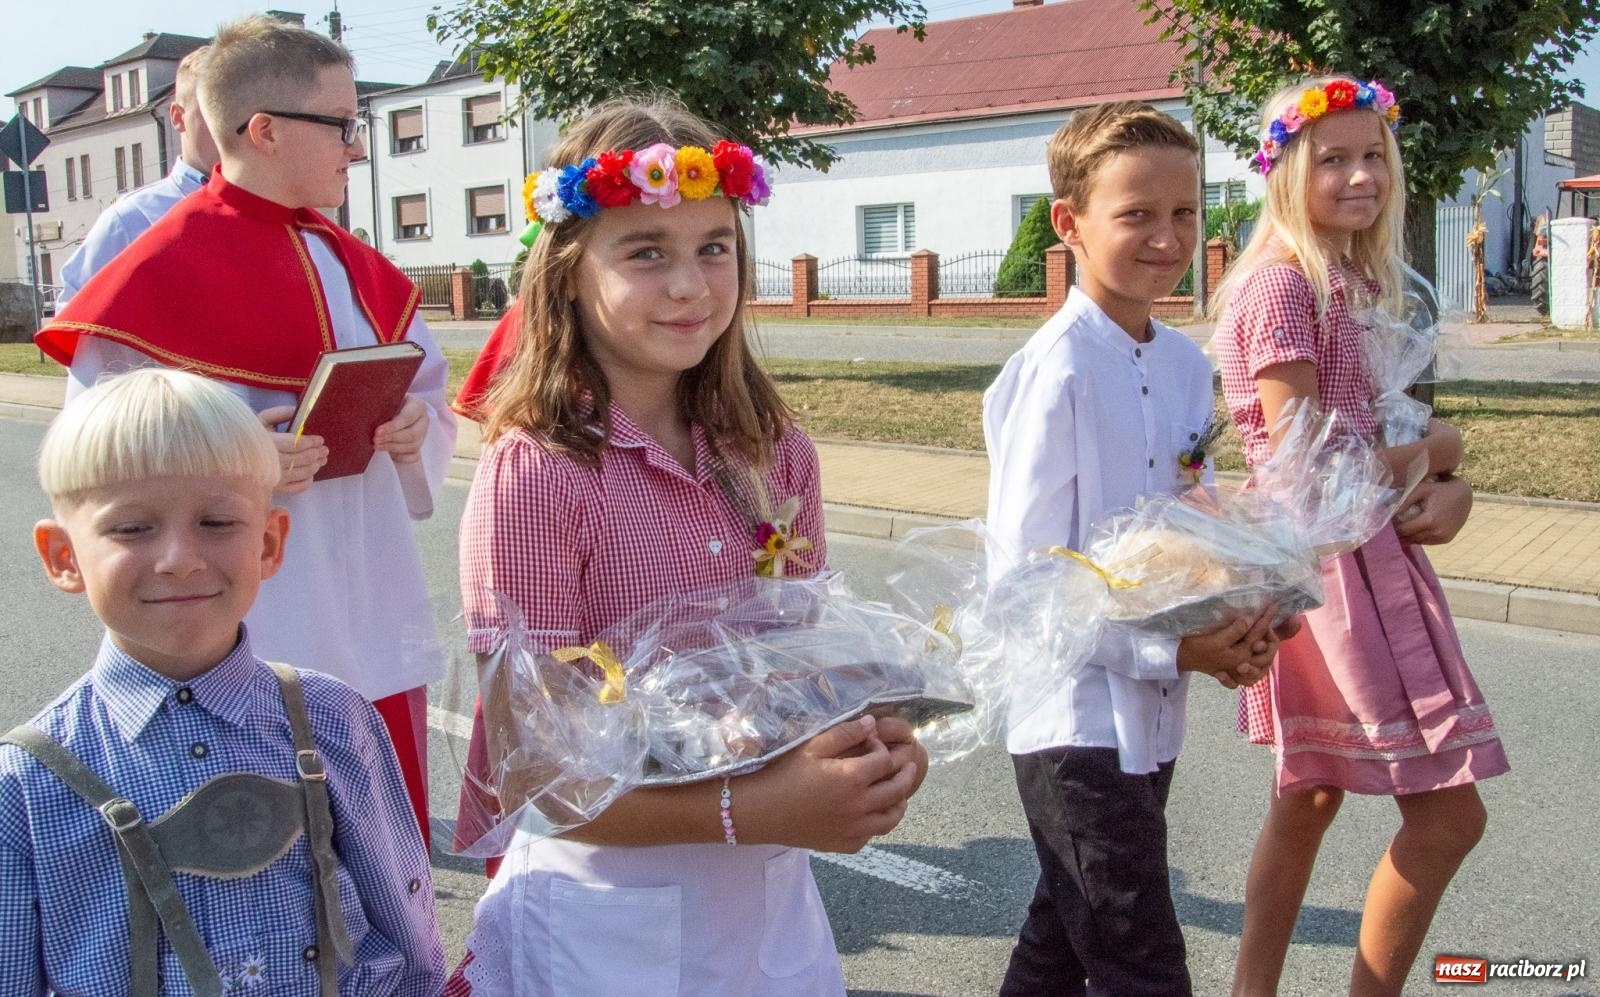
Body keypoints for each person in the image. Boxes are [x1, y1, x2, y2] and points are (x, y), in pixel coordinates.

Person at [444, 96, 928, 996]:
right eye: (645, 252)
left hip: (769, 899)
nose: (691, 285)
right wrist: (755, 806)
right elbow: (539, 774)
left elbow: (808, 660)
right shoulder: (538, 475)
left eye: (715, 246)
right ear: (568, 273)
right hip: (605, 917)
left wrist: (875, 742)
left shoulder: (772, 451)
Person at [35, 14, 456, 846]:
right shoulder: (157, 264)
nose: (357, 147)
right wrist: (237, 457)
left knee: (382, 851)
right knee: (259, 864)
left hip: (367, 592)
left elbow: (430, 387)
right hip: (241, 615)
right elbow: (98, 447)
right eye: (342, 124)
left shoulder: (352, 261)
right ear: (263, 129)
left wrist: (415, 426)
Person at [0, 367, 444, 996]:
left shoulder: (333, 717)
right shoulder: (26, 782)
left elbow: (407, 928)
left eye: (217, 523)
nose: (180, 557)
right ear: (63, 557)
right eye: (131, 528)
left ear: (268, 542)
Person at [1211, 76, 1509, 996]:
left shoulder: (1358, 280)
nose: (1358, 175)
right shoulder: (1280, 284)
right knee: (1447, 816)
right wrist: (1443, 450)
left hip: (1365, 558)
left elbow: (1380, 440)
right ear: (1286, 170)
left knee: (1308, 796)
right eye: (1331, 158)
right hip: (1329, 571)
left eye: (1373, 155)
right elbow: (1305, 469)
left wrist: (1446, 483)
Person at [983, 102, 1285, 997]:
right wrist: (1172, 645)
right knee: (1140, 960)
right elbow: (1026, 582)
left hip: (1153, 714)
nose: (1167, 236)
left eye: (1185, 212)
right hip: (1070, 718)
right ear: (1069, 224)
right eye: (1137, 214)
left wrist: (1245, 610)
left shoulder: (1190, 368)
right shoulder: (1054, 372)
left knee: (1064, 941)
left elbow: (1187, 528)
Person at [57, 45, 221, 306]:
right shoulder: (132, 220)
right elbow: (74, 322)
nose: (231, 130)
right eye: (215, 113)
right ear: (178, 117)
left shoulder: (287, 215)